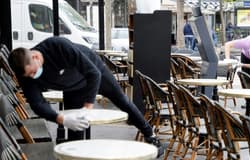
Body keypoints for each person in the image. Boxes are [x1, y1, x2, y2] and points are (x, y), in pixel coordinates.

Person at [8, 37, 163, 156]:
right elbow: (37, 104)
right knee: (75, 132)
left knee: (122, 101)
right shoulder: (25, 74)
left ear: (35, 57)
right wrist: (61, 119)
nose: (33, 77)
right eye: (30, 75)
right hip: (71, 88)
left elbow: (93, 74)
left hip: (94, 72)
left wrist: (87, 107)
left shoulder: (58, 46)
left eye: (33, 72)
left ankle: (150, 135)